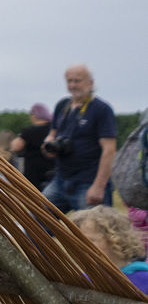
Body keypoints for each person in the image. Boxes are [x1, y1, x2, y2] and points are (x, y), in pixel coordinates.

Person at [42, 64, 117, 211]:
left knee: (94, 230)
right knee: (36, 218)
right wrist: (48, 144)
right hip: (61, 179)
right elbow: (51, 135)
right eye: (69, 81)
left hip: (88, 181)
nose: (73, 85)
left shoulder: (101, 109)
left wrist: (99, 186)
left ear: (91, 83)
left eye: (77, 80)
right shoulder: (62, 106)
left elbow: (109, 150)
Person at [69, 205, 148, 295]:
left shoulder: (143, 279)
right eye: (78, 241)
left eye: (90, 240)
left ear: (115, 239)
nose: (81, 247)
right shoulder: (83, 281)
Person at [10, 102, 55, 190]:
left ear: (34, 116)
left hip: (34, 173)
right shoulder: (53, 130)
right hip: (52, 171)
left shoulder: (29, 131)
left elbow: (16, 147)